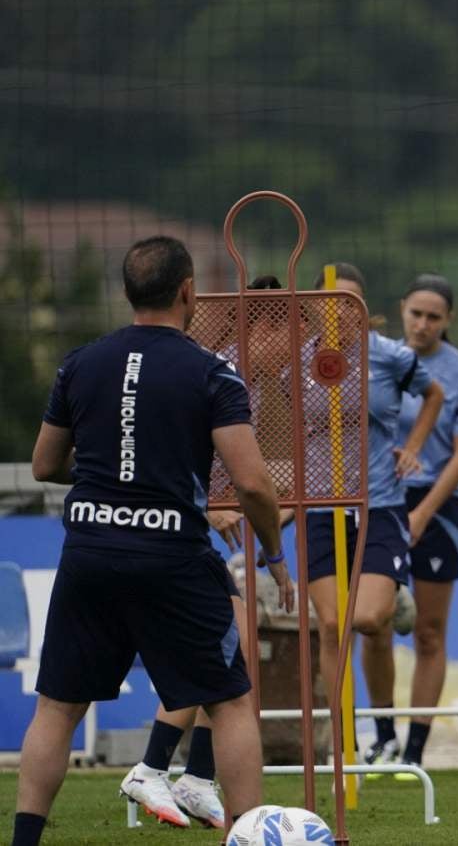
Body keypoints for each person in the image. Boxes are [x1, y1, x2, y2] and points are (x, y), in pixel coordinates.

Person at [14, 237, 294, 845]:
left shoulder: (80, 363)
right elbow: (252, 483)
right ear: (188, 291)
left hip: (88, 551)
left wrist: (111, 479)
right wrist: (275, 555)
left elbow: (44, 465)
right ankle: (247, 837)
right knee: (229, 704)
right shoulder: (212, 372)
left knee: (57, 709)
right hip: (172, 558)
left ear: (127, 292)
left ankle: (25, 839)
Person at [117, 275, 290, 829]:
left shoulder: (257, 383)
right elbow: (168, 452)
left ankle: (193, 776)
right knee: (215, 653)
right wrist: (213, 507)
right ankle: (152, 767)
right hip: (164, 534)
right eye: (287, 334)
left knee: (233, 647)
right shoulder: (214, 370)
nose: (293, 351)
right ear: (262, 329)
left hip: (182, 532)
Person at [302, 263, 445, 768]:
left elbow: (433, 395)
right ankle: (342, 740)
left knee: (368, 620)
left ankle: (389, 596)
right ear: (312, 307)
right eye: (330, 301)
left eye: (350, 303)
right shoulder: (297, 361)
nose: (340, 311)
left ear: (363, 309)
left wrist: (413, 446)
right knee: (330, 626)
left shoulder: (389, 357)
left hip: (378, 504)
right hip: (320, 507)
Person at [363, 274, 458, 776]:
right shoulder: (379, 360)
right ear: (401, 310)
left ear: (448, 320)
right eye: (416, 314)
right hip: (380, 500)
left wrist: (423, 513)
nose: (423, 324)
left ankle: (415, 748)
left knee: (430, 632)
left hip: (435, 507)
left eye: (434, 317)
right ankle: (383, 736)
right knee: (373, 624)